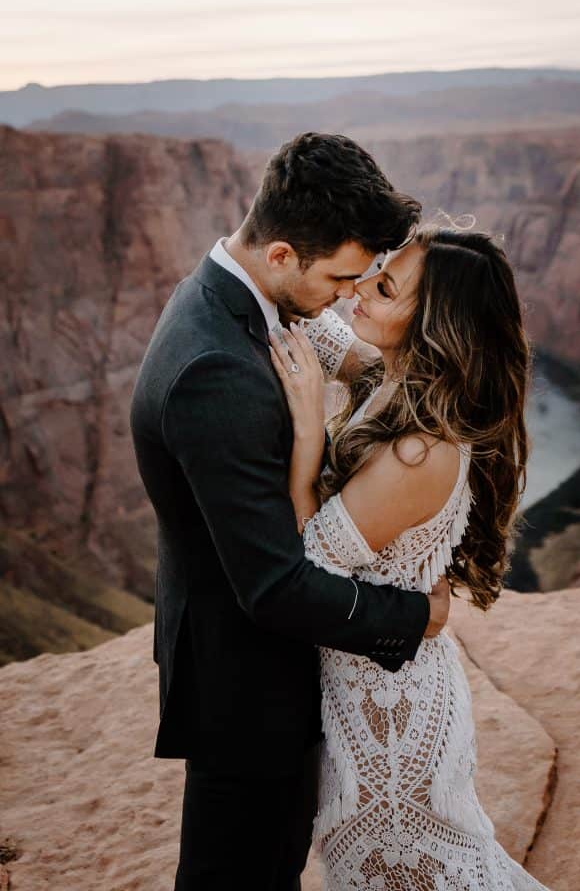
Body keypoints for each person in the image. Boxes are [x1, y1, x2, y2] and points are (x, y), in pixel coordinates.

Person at [129, 132, 453, 891]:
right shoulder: (217, 369)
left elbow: (349, 348)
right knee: (239, 873)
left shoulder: (235, 295)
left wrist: (413, 368)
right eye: (341, 277)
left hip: (249, 663)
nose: (346, 295)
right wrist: (415, 617)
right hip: (245, 686)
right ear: (281, 254)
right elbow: (272, 587)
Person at [269, 226, 553, 890]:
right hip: (378, 681)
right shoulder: (392, 378)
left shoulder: (420, 449)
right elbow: (315, 330)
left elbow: (307, 566)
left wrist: (308, 441)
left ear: (432, 326)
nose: (361, 286)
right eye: (375, 271)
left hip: (388, 725)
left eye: (384, 286)